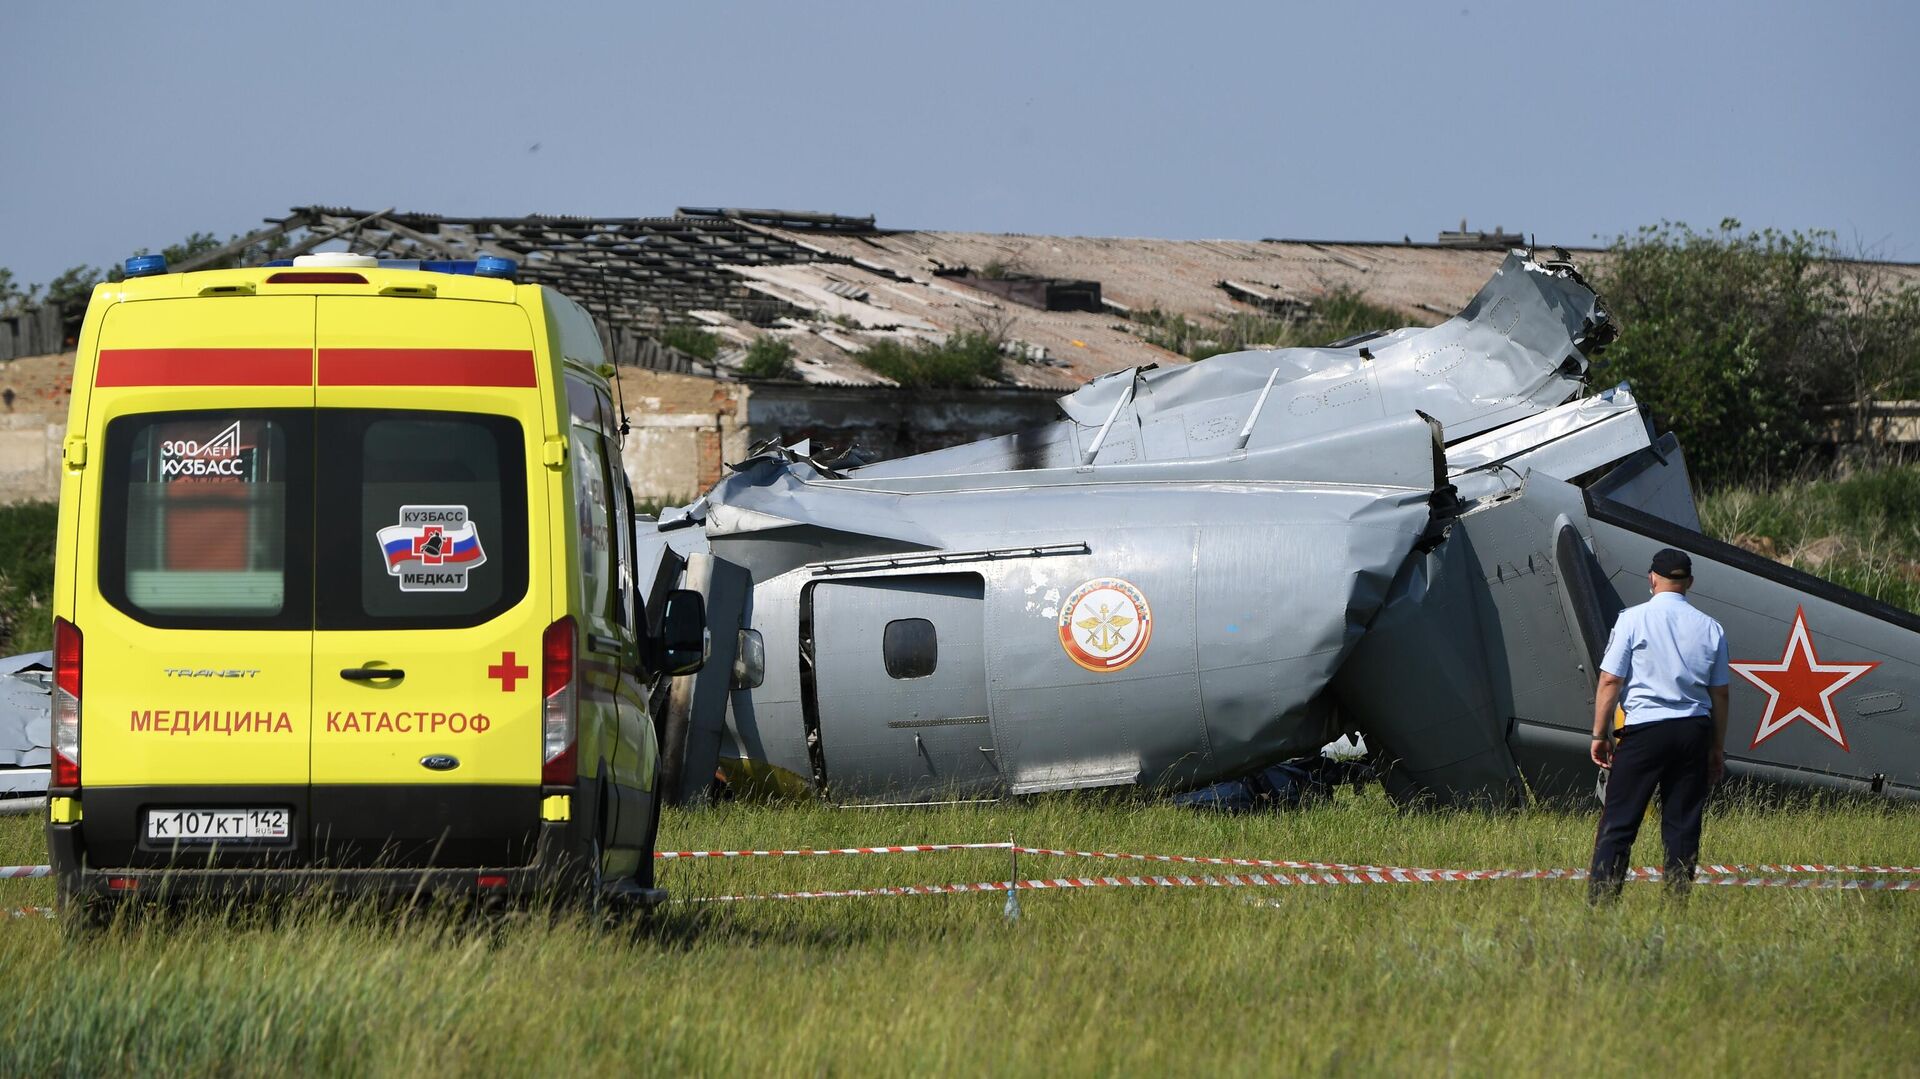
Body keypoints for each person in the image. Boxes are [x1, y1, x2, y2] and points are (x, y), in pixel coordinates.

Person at [1587, 547, 1729, 902]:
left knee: (1619, 823)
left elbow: (1609, 680)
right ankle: (1677, 902)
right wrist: (1715, 748)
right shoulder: (1711, 628)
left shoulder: (1632, 620)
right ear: (1689, 583)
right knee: (1682, 825)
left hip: (1645, 731)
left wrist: (1599, 734)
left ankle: (1602, 902)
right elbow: (1721, 695)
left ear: (1652, 579)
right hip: (1693, 730)